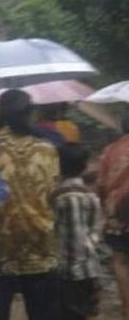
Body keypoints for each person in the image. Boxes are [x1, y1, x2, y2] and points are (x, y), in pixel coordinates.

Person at [0, 89, 61, 320]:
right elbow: (53, 193)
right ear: (31, 113)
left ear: (1, 113)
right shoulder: (47, 150)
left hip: (0, 245)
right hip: (41, 243)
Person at [53, 143, 101, 320]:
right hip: (89, 269)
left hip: (64, 271)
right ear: (85, 167)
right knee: (83, 314)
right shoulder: (92, 197)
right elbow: (94, 232)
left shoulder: (57, 196)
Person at [96, 114, 129, 320]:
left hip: (118, 212)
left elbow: (100, 183)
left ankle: (127, 308)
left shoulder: (111, 150)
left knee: (120, 259)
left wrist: (105, 206)